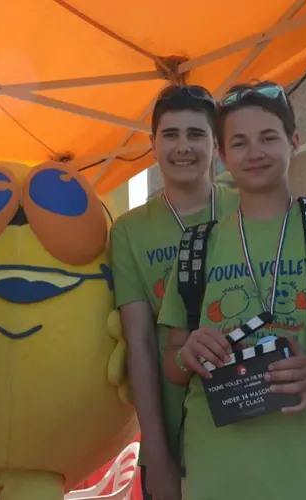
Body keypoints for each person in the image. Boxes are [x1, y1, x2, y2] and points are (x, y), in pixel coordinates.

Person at [158, 80, 306, 500]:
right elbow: (173, 364)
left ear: (293, 141)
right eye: (240, 142)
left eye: (268, 137)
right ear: (223, 155)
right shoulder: (196, 246)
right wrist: (186, 352)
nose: (256, 152)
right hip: (217, 474)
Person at [110, 84, 239, 500]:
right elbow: (141, 344)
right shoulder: (129, 231)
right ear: (152, 145)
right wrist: (158, 454)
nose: (183, 147)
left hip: (252, 421)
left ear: (216, 145)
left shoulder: (246, 207)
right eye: (171, 135)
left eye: (196, 134)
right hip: (174, 436)